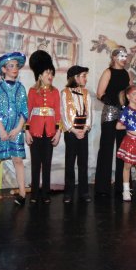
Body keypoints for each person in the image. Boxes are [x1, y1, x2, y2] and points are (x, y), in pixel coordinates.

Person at [0, 52, 28, 206]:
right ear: (3, 69)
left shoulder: (21, 88)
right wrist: (1, 130)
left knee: (18, 160)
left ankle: (22, 193)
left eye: (16, 65)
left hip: (16, 129)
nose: (15, 68)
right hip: (0, 129)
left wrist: (18, 128)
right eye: (11, 66)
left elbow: (24, 110)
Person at [25, 50, 61, 204]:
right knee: (35, 164)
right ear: (40, 75)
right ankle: (34, 193)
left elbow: (57, 113)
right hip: (35, 131)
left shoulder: (55, 92)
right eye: (47, 72)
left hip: (50, 132)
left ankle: (46, 193)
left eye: (52, 73)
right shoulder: (32, 91)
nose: (50, 75)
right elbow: (28, 112)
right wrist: (27, 131)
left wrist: (58, 132)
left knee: (47, 164)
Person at [94, 46, 130, 198]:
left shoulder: (126, 74)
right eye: (121, 55)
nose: (124, 58)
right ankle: (102, 186)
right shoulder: (108, 72)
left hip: (123, 115)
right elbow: (99, 93)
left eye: (126, 56)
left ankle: (122, 185)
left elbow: (128, 94)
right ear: (114, 57)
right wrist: (114, 104)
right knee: (106, 149)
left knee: (122, 150)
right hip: (110, 113)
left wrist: (127, 108)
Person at [60, 65, 93, 203]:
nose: (85, 78)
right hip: (71, 132)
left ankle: (83, 192)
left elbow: (89, 113)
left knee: (83, 162)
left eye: (85, 76)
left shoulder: (86, 93)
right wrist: (73, 130)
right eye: (83, 76)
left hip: (83, 132)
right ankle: (68, 192)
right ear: (75, 77)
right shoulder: (65, 93)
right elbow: (63, 114)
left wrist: (85, 129)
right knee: (70, 162)